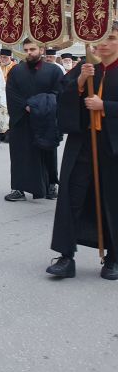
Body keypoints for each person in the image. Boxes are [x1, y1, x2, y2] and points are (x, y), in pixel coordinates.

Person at [46, 21, 118, 280]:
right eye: (102, 36)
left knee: (112, 199)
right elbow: (62, 95)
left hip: (112, 146)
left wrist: (105, 106)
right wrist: (80, 81)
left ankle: (113, 258)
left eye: (111, 37)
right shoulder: (87, 65)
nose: (104, 42)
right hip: (83, 143)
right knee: (71, 195)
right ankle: (66, 256)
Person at [4, 38, 64, 202]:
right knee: (19, 155)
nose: (29, 53)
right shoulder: (16, 71)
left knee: (47, 153)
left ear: (42, 50)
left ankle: (51, 185)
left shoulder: (54, 71)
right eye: (26, 49)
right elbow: (11, 92)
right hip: (22, 119)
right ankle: (18, 188)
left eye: (32, 49)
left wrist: (38, 105)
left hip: (45, 119)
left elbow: (58, 93)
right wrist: (26, 106)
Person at [0, 48, 16, 142]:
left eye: (5, 57)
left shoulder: (15, 67)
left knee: (9, 114)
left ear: (10, 57)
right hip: (0, 94)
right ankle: (1, 133)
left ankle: (9, 134)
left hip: (11, 94)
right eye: (1, 57)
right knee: (0, 115)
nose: (3, 59)